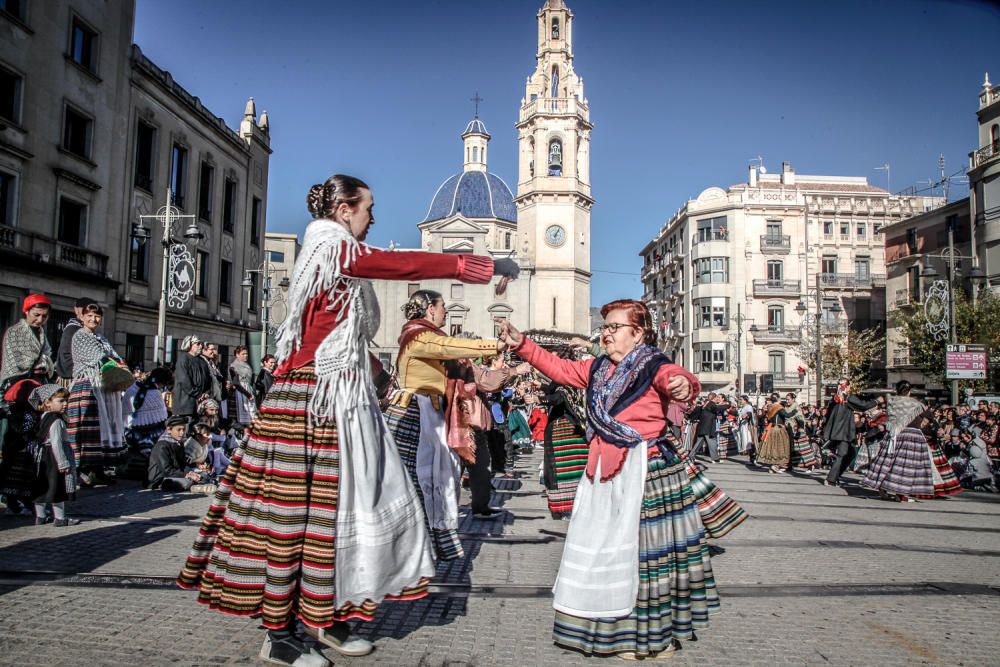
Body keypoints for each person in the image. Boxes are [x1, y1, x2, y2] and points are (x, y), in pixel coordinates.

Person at [178, 174, 520, 666]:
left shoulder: (338, 260)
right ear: (343, 210)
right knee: (300, 518)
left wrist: (382, 379)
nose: (373, 217)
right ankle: (281, 634)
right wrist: (481, 266)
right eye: (368, 208)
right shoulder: (332, 247)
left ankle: (327, 610)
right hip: (314, 400)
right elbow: (399, 263)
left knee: (342, 512)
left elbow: (347, 339)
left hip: (338, 396)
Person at [498, 299, 716, 661]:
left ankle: (654, 639)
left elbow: (676, 378)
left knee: (644, 561)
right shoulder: (598, 367)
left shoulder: (652, 365)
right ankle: (613, 631)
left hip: (644, 472)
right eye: (606, 327)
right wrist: (523, 344)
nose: (607, 333)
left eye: (616, 327)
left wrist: (682, 384)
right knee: (607, 553)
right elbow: (561, 368)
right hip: (603, 471)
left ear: (639, 333)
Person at [385, 289, 507, 545]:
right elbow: (448, 346)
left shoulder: (425, 336)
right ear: (430, 308)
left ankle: (427, 541)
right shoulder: (417, 336)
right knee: (417, 478)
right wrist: (492, 344)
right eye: (442, 307)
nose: (446, 312)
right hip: (414, 414)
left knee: (434, 477)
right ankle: (409, 543)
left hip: (430, 413)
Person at [66, 304, 127, 484]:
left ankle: (99, 469)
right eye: (90, 315)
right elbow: (99, 357)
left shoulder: (101, 337)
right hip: (88, 385)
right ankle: (85, 470)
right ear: (82, 317)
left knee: (105, 427)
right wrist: (115, 362)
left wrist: (119, 363)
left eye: (97, 316)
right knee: (89, 429)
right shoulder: (80, 336)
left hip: (104, 385)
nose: (93, 319)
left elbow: (114, 356)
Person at [29, 384, 80, 526]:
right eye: (61, 401)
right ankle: (60, 518)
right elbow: (57, 442)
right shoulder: (56, 420)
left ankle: (40, 516)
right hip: (54, 457)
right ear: (47, 402)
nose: (65, 404)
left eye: (66, 401)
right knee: (58, 487)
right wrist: (63, 462)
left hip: (42, 455)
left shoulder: (43, 417)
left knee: (42, 486)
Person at [540, 377, 589, 519]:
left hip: (564, 431)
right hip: (578, 429)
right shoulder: (577, 380)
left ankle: (565, 505)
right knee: (578, 468)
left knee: (561, 469)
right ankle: (578, 503)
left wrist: (539, 399)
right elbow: (552, 390)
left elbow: (558, 397)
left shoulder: (565, 383)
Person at [822, 379, 878, 487]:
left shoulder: (835, 398)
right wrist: (877, 401)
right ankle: (831, 479)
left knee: (851, 452)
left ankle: (835, 476)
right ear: (847, 386)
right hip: (844, 431)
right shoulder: (847, 398)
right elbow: (863, 405)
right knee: (842, 454)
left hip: (837, 430)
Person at [121, 367, 173, 482]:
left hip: (128, 432)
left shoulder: (132, 388)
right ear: (160, 382)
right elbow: (162, 418)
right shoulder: (154, 393)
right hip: (144, 434)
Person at [0, 294, 54, 388]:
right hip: (18, 382)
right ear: (26, 311)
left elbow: (47, 354)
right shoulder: (14, 332)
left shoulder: (42, 333)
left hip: (40, 380)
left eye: (44, 316)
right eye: (36, 315)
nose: (40, 319)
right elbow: (16, 361)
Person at [147, 416, 213, 493]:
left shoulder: (179, 443)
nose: (182, 433)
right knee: (186, 482)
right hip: (160, 478)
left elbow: (183, 464)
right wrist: (187, 475)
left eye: (183, 429)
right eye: (178, 430)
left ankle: (196, 484)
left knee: (203, 475)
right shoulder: (161, 446)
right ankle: (194, 487)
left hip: (177, 474)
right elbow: (167, 470)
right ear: (169, 430)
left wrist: (191, 472)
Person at [54, 297, 97, 388]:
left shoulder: (75, 327)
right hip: (73, 379)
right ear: (76, 310)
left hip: (70, 377)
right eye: (84, 309)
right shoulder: (76, 329)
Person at [172, 336, 210, 420]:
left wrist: (206, 392)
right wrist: (197, 394)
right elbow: (184, 380)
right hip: (185, 404)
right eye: (198, 344)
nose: (201, 346)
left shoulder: (202, 361)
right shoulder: (183, 359)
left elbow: (208, 379)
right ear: (190, 345)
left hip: (200, 404)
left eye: (202, 344)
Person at [757, 395, 792, 473]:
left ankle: (772, 466)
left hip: (771, 428)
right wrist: (796, 410)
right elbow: (787, 415)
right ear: (778, 399)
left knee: (772, 447)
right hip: (778, 429)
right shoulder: (778, 407)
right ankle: (775, 466)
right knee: (779, 447)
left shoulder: (770, 407)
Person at [227, 345, 255, 426]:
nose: (246, 355)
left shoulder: (247, 365)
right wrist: (248, 394)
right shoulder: (234, 366)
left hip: (248, 388)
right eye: (243, 354)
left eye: (246, 354)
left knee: (251, 413)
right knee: (242, 413)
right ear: (237, 354)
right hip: (240, 391)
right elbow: (236, 383)